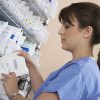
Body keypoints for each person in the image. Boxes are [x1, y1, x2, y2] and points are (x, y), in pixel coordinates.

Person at [1, 2, 100, 100]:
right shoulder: (86, 67)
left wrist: (14, 93)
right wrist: (32, 67)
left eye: (67, 26)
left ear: (87, 31)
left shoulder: (79, 72)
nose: (60, 31)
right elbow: (45, 95)